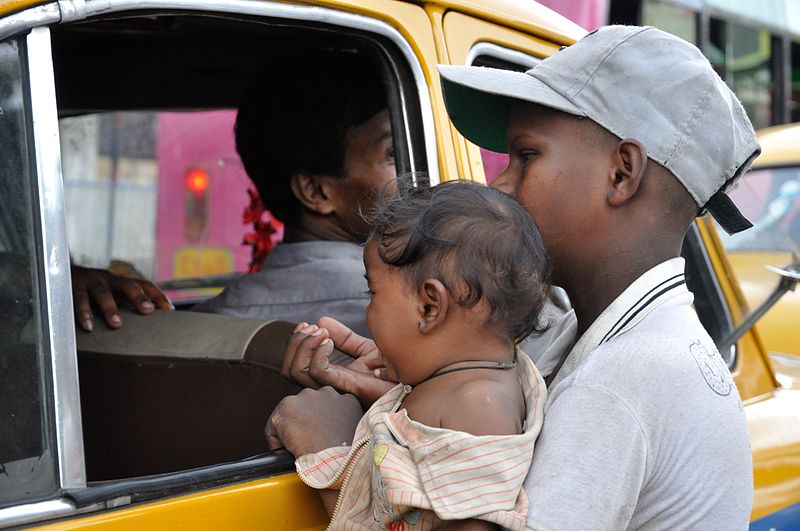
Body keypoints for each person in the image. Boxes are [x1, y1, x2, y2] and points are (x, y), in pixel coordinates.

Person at [268, 25, 756, 529]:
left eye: (526, 156)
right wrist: (419, 394)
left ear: (621, 173)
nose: (500, 183)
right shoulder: (614, 339)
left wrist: (333, 458)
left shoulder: (619, 382)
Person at [274, 182, 550, 530]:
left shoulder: (478, 406)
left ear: (429, 306)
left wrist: (328, 448)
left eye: (372, 292)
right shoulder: (465, 384)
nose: (368, 310)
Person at [73, 51, 395, 345]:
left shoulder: (205, 323)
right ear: (316, 191)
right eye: (393, 155)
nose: (415, 177)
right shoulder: (412, 310)